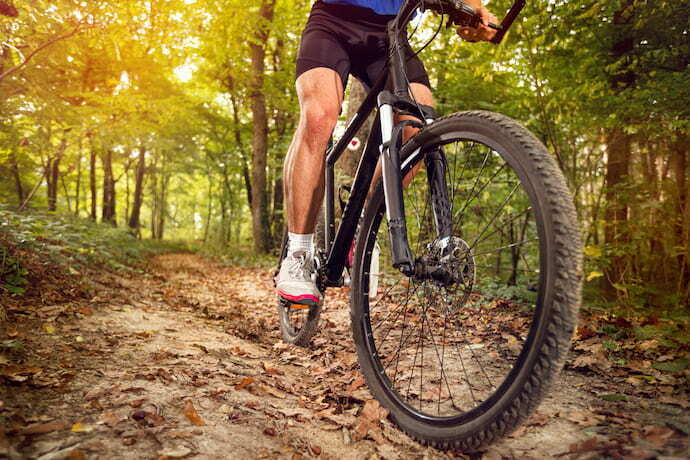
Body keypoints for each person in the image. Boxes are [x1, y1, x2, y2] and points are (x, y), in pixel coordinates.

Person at [276, 0, 497, 306]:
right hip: (331, 21)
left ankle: (362, 226)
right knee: (318, 116)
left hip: (391, 32)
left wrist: (475, 12)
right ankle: (298, 252)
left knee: (416, 128)